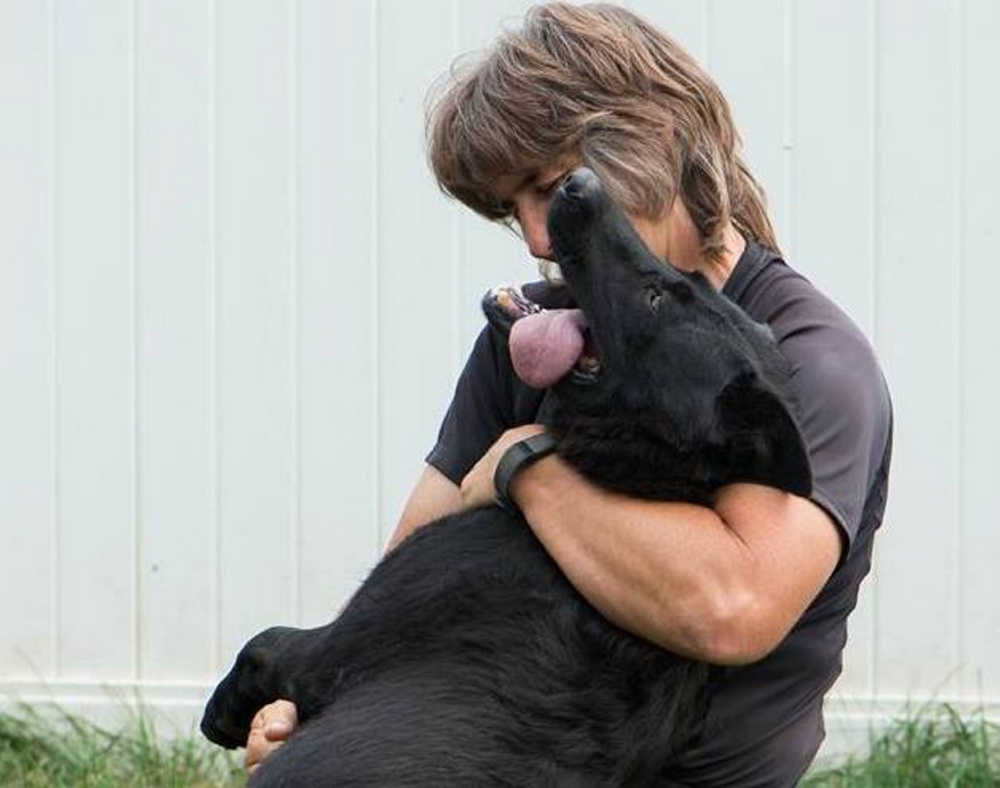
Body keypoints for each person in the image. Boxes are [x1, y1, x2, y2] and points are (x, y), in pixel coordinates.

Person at [244, 4, 892, 785]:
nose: (538, 239)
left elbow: (733, 606)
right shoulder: (536, 334)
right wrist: (319, 706)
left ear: (653, 137)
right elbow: (410, 583)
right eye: (508, 208)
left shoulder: (808, 360)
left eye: (551, 188)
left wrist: (527, 464)